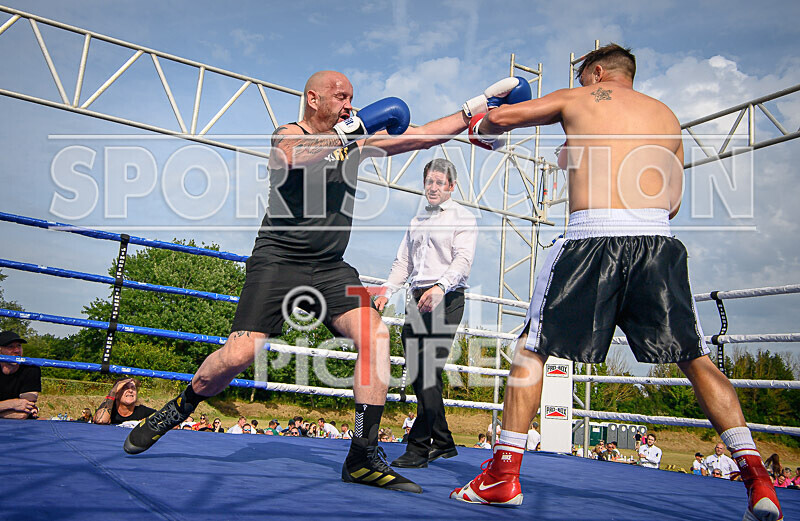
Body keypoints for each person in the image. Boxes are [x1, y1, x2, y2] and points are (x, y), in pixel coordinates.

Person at [124, 69, 531, 494]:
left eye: (352, 97)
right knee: (241, 353)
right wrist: (349, 133)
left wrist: (475, 107)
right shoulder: (290, 132)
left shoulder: (355, 139)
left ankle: (362, 454)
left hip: (331, 265)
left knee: (375, 336)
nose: (349, 104)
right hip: (277, 262)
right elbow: (292, 156)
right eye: (340, 96)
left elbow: (423, 135)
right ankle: (180, 407)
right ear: (313, 99)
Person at [448, 43, 783, 520]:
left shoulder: (581, 97)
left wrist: (483, 111)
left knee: (532, 348)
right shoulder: (667, 116)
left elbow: (499, 122)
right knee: (696, 359)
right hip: (657, 244)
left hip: (593, 241)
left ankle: (502, 476)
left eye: (585, 78)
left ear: (598, 73)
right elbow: (671, 203)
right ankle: (759, 482)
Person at [374, 158, 477, 469]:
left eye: (439, 183)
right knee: (421, 377)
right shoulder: (417, 220)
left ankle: (418, 448)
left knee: (427, 371)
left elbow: (462, 262)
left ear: (451, 186)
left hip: (446, 299)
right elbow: (402, 264)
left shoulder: (463, 218)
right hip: (416, 301)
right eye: (429, 182)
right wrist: (385, 291)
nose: (433, 187)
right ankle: (443, 441)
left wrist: (440, 287)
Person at [0, 331, 40, 419]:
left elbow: (23, 412)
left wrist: (2, 407)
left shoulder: (31, 368)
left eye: (19, 346)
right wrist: (12, 404)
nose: (17, 350)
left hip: (18, 424)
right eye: (10, 347)